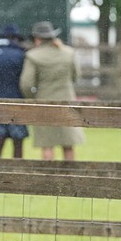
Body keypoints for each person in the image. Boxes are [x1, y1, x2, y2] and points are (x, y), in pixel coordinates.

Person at [19, 21, 85, 160]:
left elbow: (26, 84)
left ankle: (49, 178)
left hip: (44, 101)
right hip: (67, 101)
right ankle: (71, 177)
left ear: (37, 38)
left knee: (47, 144)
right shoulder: (69, 52)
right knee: (68, 143)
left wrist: (32, 97)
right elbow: (76, 75)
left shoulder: (33, 56)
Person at [0, 22, 29, 158]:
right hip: (16, 101)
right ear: (15, 38)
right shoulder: (20, 55)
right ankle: (17, 171)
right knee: (18, 141)